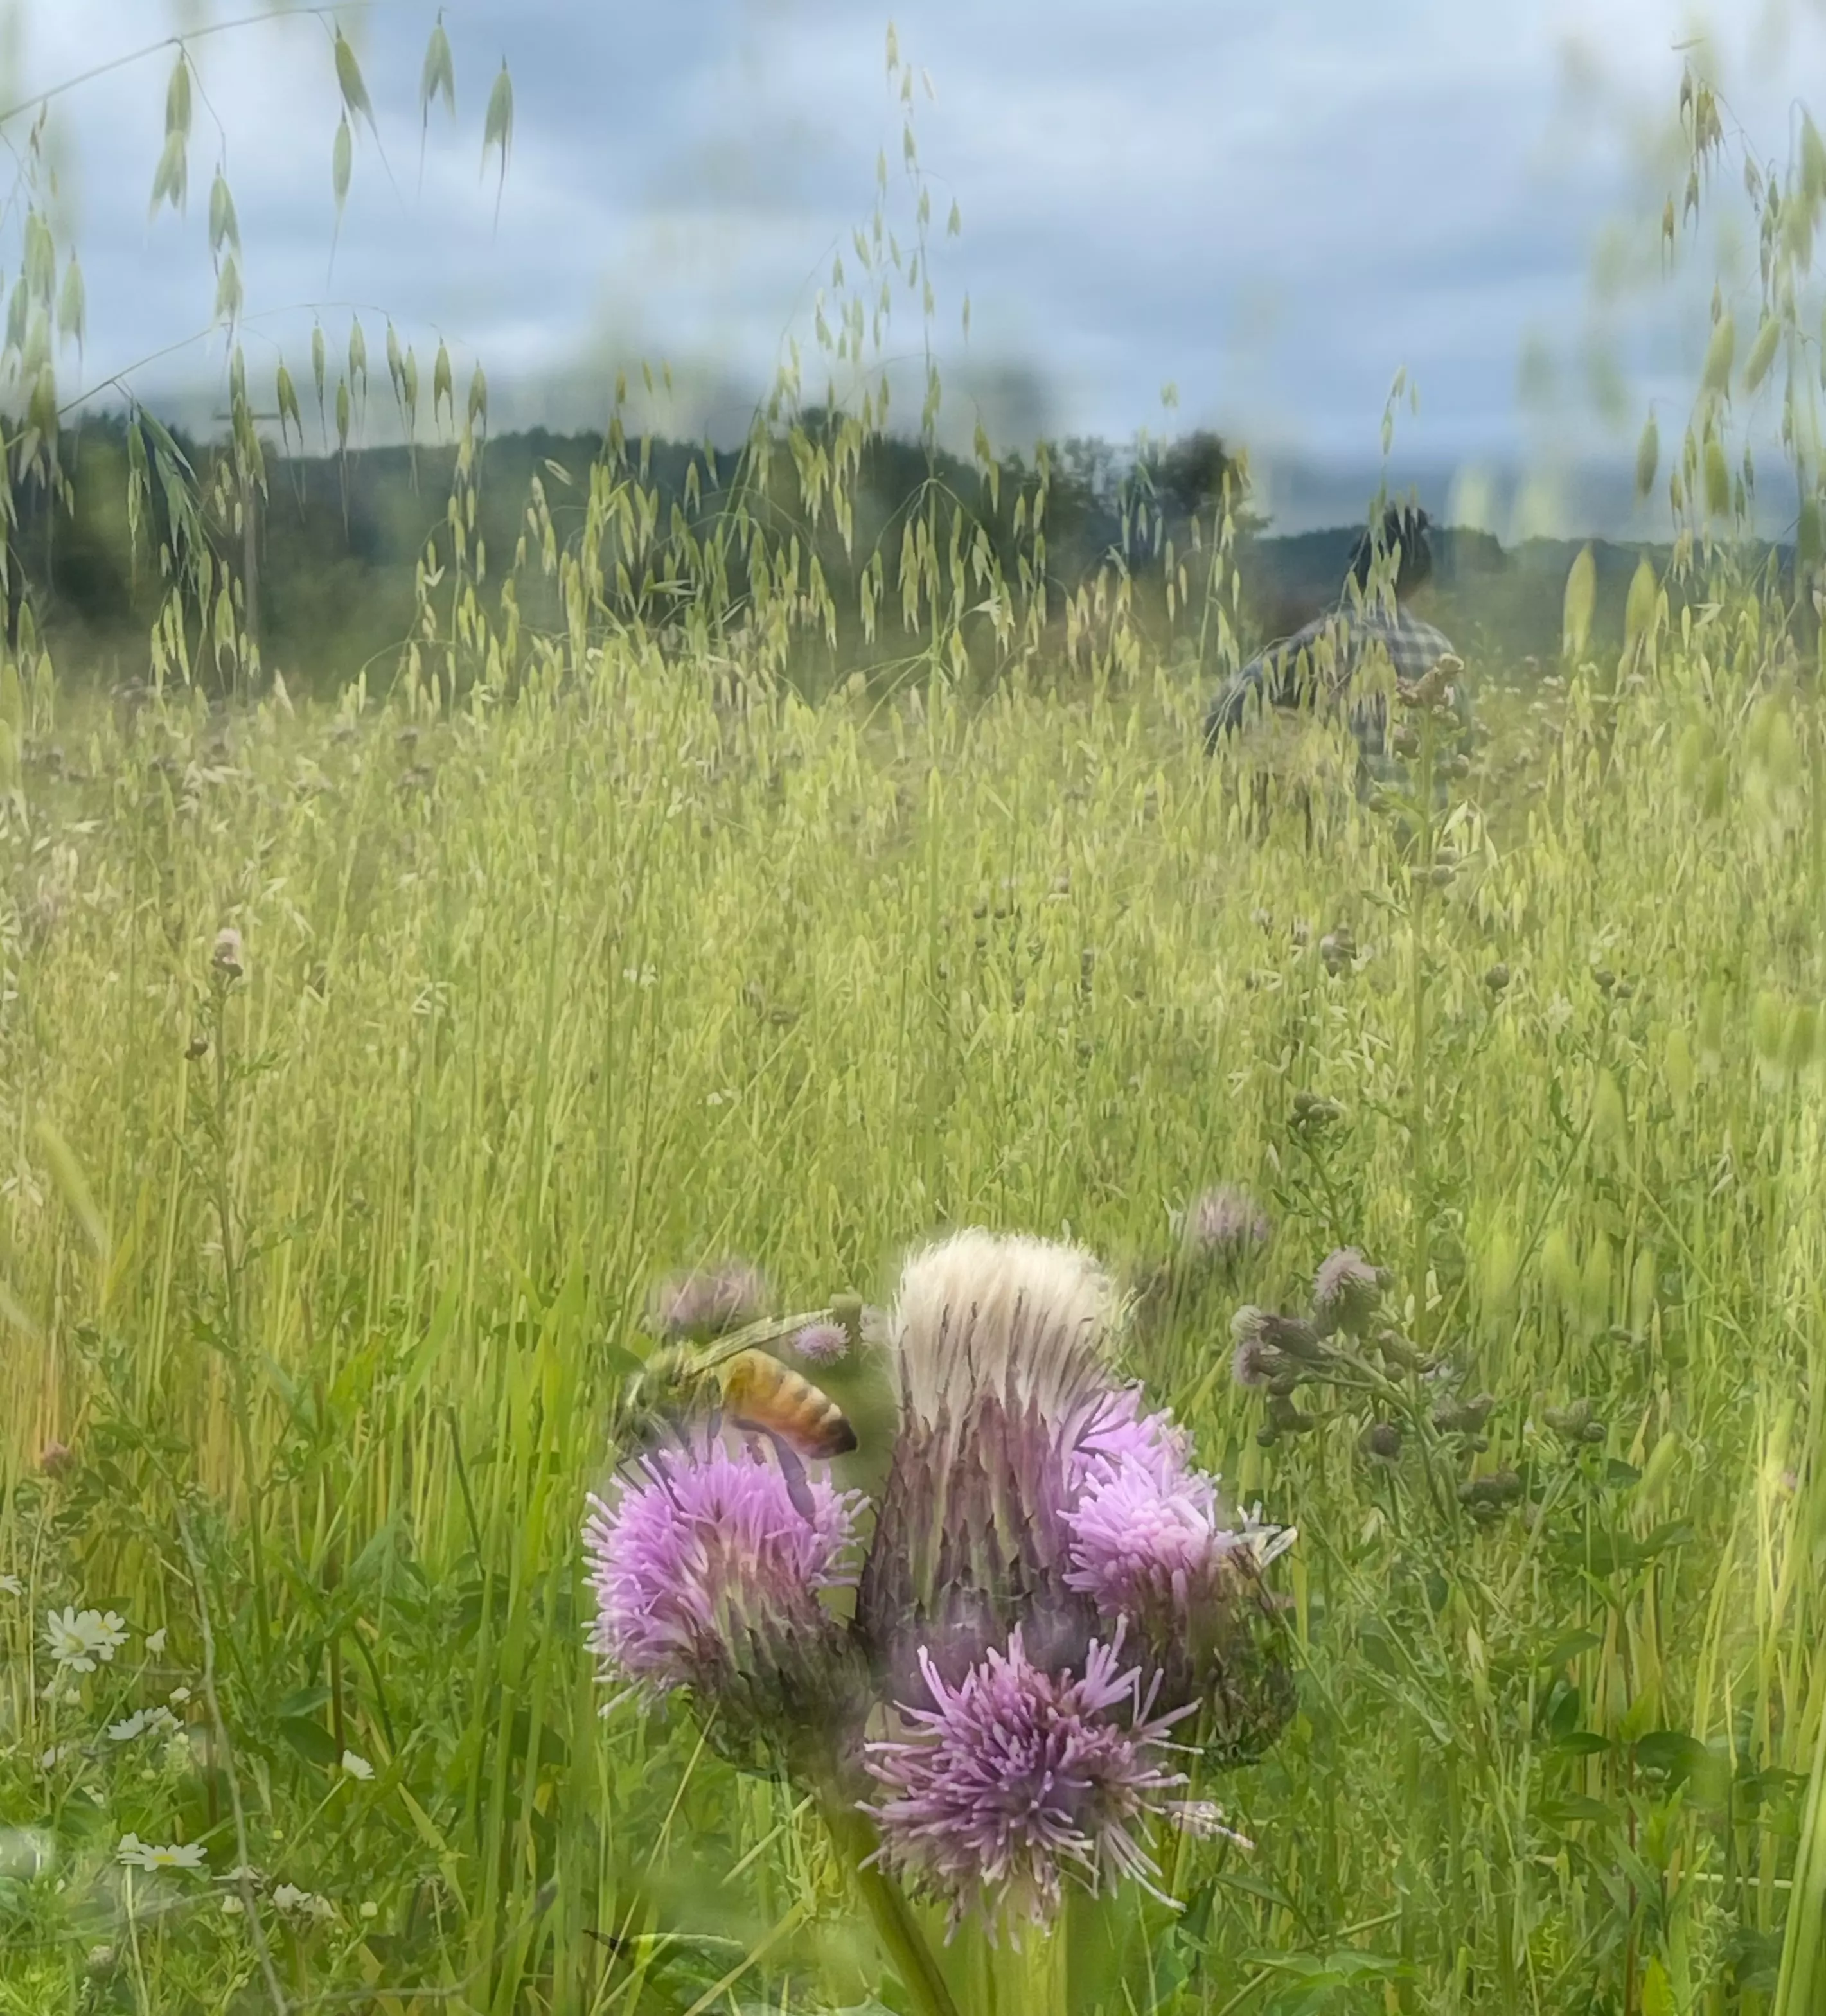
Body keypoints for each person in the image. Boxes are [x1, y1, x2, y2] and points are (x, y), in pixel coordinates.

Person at [1203, 502, 1469, 801]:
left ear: (1357, 574)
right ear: (1420, 581)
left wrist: (1219, 754)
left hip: (1351, 835)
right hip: (1426, 837)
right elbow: (1464, 742)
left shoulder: (1329, 637)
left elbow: (1230, 698)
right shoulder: (1442, 651)